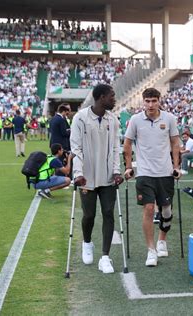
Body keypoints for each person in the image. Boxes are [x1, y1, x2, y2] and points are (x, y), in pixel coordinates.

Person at [123, 88, 181, 267]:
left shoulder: (169, 119)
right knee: (149, 209)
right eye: (147, 101)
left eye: (153, 101)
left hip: (165, 172)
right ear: (143, 102)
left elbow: (175, 143)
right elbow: (127, 143)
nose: (150, 105)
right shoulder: (135, 120)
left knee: (166, 211)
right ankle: (151, 250)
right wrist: (128, 167)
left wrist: (176, 166)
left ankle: (162, 240)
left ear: (159, 101)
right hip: (144, 173)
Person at [70, 84, 123, 274]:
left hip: (108, 177)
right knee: (89, 215)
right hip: (87, 177)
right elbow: (75, 148)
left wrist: (117, 172)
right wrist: (78, 174)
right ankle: (87, 242)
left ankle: (105, 257)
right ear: (101, 98)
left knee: (108, 213)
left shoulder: (113, 119)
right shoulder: (80, 118)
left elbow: (116, 148)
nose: (114, 99)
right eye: (112, 96)